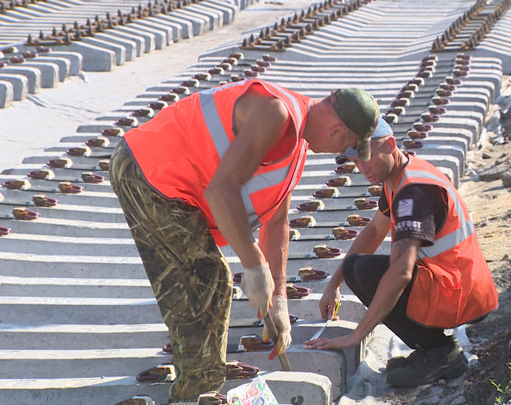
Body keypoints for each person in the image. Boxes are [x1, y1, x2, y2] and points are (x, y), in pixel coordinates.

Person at [109, 78, 379, 402]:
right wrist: (253, 266)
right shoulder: (275, 112)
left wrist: (277, 299)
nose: (343, 153)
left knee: (203, 282)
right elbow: (221, 190)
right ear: (339, 131)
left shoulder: (296, 145)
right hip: (148, 172)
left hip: (168, 185)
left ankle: (194, 386)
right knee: (208, 282)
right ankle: (195, 393)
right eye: (349, 146)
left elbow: (276, 220)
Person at [304, 119, 498, 387]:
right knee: (353, 268)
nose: (362, 168)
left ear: (391, 145)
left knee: (368, 272)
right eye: (355, 162)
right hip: (452, 283)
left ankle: (440, 353)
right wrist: (333, 285)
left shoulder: (416, 191)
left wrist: (356, 335)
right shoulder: (397, 177)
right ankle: (430, 347)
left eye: (367, 157)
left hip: (459, 294)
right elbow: (374, 232)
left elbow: (402, 273)